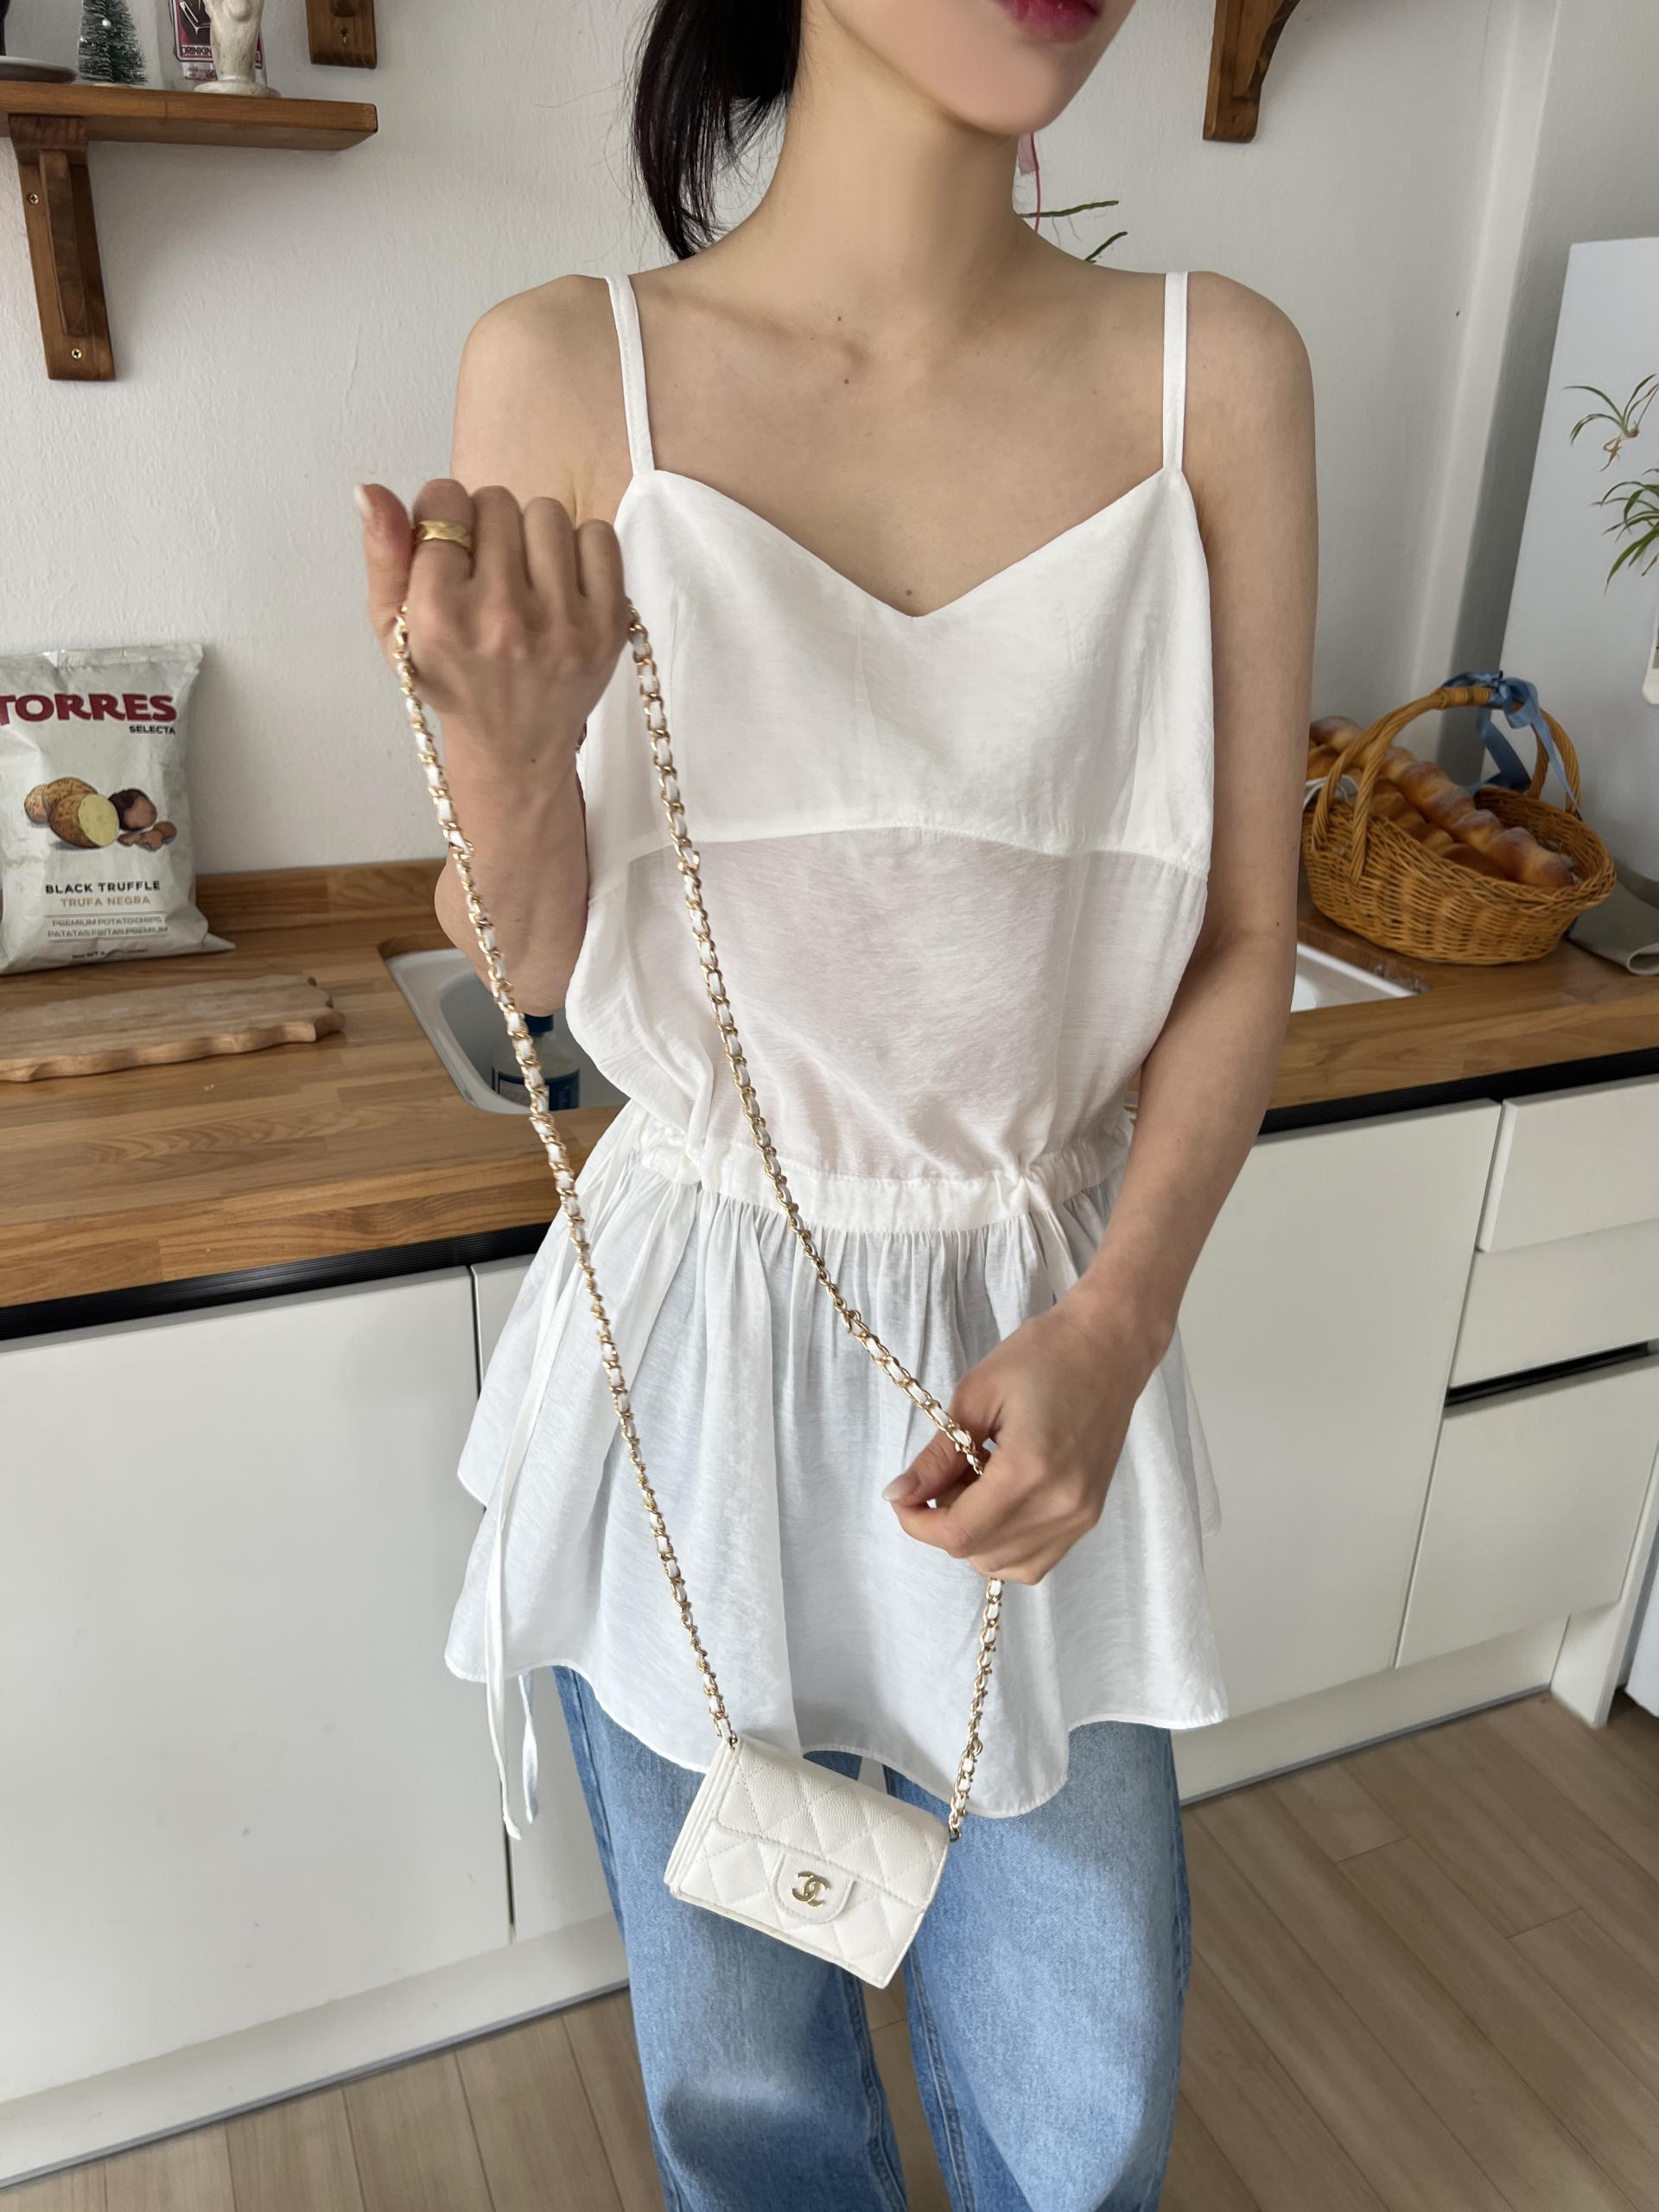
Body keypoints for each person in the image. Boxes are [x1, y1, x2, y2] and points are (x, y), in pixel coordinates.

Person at [356, 1, 1316, 2202]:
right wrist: (504, 755)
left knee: (1083, 2102)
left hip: (1045, 1348)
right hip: (682, 1367)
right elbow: (531, 973)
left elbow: (1248, 932)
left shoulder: (1218, 374)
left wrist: (1122, 1318)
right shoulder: (568, 365)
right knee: (749, 2099)